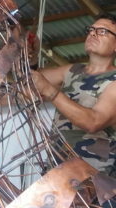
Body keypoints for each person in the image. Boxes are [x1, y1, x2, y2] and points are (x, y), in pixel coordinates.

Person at [29, 12, 116, 178]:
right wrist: (32, 56)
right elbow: (30, 80)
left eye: (102, 31)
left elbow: (94, 122)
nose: (93, 34)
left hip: (96, 178)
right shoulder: (72, 70)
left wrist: (49, 91)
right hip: (58, 171)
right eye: (92, 29)